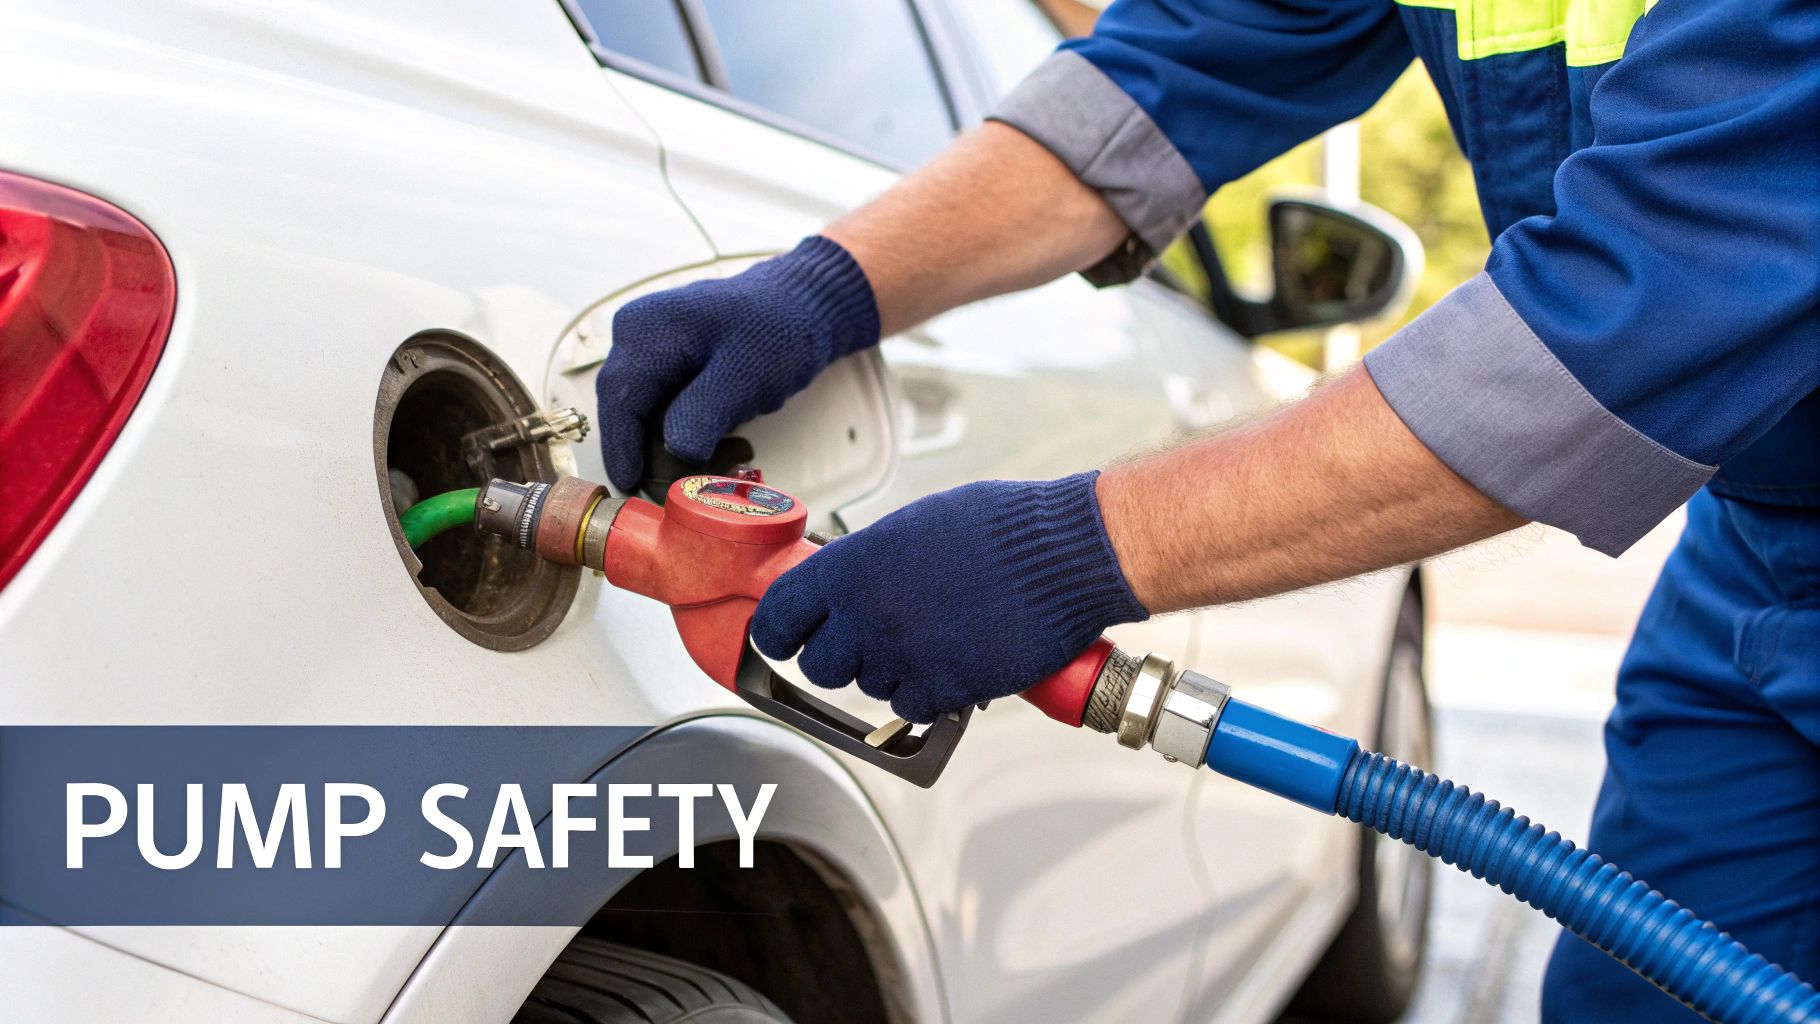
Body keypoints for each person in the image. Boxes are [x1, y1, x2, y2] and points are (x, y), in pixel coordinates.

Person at [594, 1, 1820, 1018]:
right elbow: (1171, 70)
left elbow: (1628, 320)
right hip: (1758, 547)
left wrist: (1058, 553)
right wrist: (819, 291)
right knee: (1651, 995)